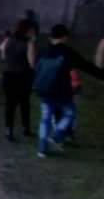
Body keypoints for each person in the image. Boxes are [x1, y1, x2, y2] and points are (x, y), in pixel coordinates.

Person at [33, 24, 104, 157]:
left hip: (43, 90)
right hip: (61, 91)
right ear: (65, 37)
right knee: (69, 113)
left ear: (51, 37)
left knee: (45, 118)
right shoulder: (68, 52)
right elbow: (87, 66)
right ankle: (55, 138)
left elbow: (35, 69)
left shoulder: (42, 51)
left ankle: (41, 149)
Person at [0, 19, 36, 141]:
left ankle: (8, 130)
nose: (34, 32)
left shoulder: (8, 40)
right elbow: (32, 63)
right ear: (28, 31)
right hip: (23, 77)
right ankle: (26, 128)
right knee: (24, 103)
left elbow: (3, 56)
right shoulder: (29, 44)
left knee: (10, 105)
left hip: (8, 75)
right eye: (32, 30)